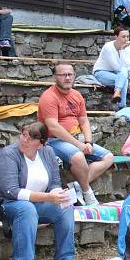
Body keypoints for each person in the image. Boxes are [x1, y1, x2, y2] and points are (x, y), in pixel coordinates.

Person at [0, 123, 81, 260]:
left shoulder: (48, 151)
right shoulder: (8, 154)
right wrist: (46, 197)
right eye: (23, 135)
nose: (24, 140)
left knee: (65, 206)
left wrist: (57, 193)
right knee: (27, 208)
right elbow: (11, 191)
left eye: (30, 139)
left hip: (38, 203)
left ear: (41, 143)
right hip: (9, 204)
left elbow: (55, 182)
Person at [38, 62, 114, 205]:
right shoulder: (48, 97)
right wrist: (79, 145)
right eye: (63, 75)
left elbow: (84, 121)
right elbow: (53, 127)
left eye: (70, 74)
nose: (67, 78)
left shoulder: (76, 95)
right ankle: (87, 192)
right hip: (54, 140)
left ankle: (76, 186)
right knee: (79, 157)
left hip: (77, 138)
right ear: (55, 77)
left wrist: (88, 142)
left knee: (109, 157)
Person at [93, 26, 130, 109]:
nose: (126, 39)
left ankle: (117, 93)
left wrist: (122, 50)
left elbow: (125, 65)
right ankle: (122, 106)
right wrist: (129, 68)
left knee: (123, 77)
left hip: (118, 74)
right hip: (101, 72)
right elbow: (116, 67)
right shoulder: (108, 47)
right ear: (116, 37)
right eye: (123, 37)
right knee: (124, 80)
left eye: (127, 36)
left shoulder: (129, 49)